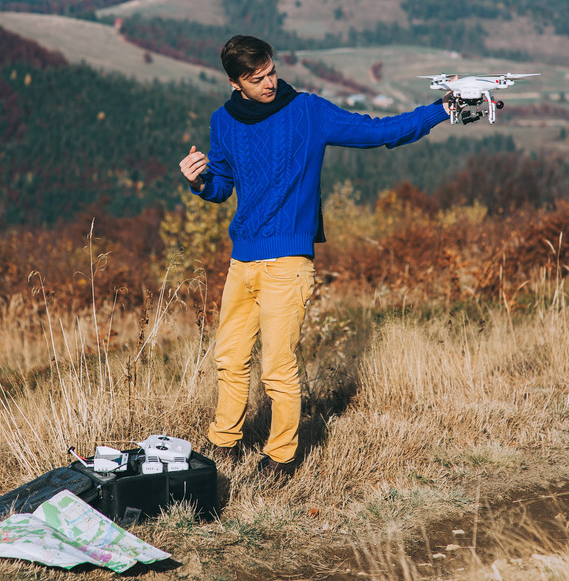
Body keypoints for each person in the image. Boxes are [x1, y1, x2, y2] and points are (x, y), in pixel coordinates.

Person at [179, 35, 451, 480]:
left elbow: (378, 131)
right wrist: (199, 182)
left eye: (271, 71)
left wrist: (439, 110)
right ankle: (223, 445)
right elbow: (223, 184)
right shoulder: (222, 121)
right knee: (229, 358)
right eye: (256, 78)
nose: (270, 82)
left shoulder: (308, 111)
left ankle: (282, 457)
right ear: (235, 84)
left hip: (288, 263)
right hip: (242, 260)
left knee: (277, 367)